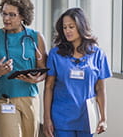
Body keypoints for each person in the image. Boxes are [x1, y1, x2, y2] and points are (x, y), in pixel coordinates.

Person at [0, 0, 47, 137]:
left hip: (29, 97)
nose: (6, 18)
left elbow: (43, 69)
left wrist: (37, 79)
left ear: (23, 16)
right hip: (2, 97)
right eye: (4, 13)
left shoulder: (35, 37)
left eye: (12, 15)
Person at [43, 8, 112, 137]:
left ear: (81, 26)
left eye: (71, 27)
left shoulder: (98, 54)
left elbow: (100, 89)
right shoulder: (55, 54)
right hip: (62, 118)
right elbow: (49, 86)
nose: (67, 31)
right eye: (64, 28)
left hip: (87, 118)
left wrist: (103, 118)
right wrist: (46, 118)